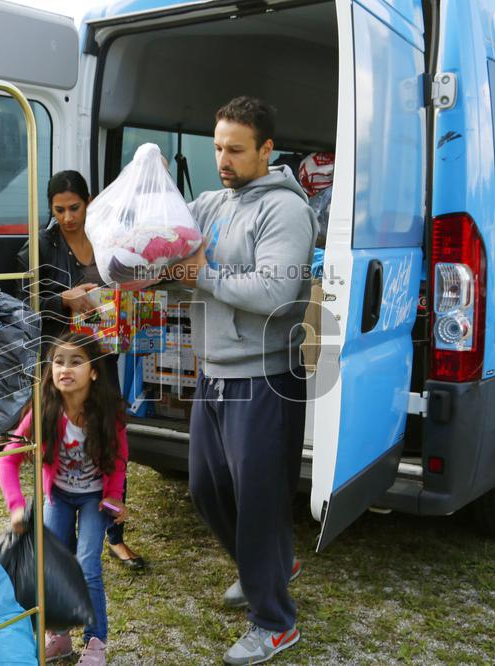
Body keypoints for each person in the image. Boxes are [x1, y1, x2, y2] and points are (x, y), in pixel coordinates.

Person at [174, 96, 317, 665]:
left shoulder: (284, 211)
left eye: (235, 149)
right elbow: (170, 254)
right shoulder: (210, 202)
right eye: (217, 148)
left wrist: (203, 275)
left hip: (263, 377)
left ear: (266, 149)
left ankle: (275, 621)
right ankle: (270, 566)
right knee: (205, 488)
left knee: (257, 501)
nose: (223, 159)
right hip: (212, 372)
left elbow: (275, 295)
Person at [17, 170, 146, 570]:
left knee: (109, 433)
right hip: (63, 357)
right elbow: (22, 300)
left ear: (89, 202)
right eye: (59, 210)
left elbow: (128, 281)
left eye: (75, 207)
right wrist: (63, 301)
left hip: (103, 354)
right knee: (53, 436)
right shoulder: (40, 244)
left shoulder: (107, 235)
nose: (68, 217)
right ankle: (50, 535)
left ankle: (114, 534)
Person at [0, 332, 130, 665]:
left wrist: (113, 497)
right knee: (52, 566)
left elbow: (118, 460)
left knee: (87, 565)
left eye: (76, 361)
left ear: (94, 372)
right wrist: (16, 506)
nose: (65, 368)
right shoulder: (44, 410)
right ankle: (58, 635)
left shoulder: (107, 413)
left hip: (93, 499)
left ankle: (95, 642)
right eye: (58, 361)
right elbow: (7, 459)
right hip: (57, 496)